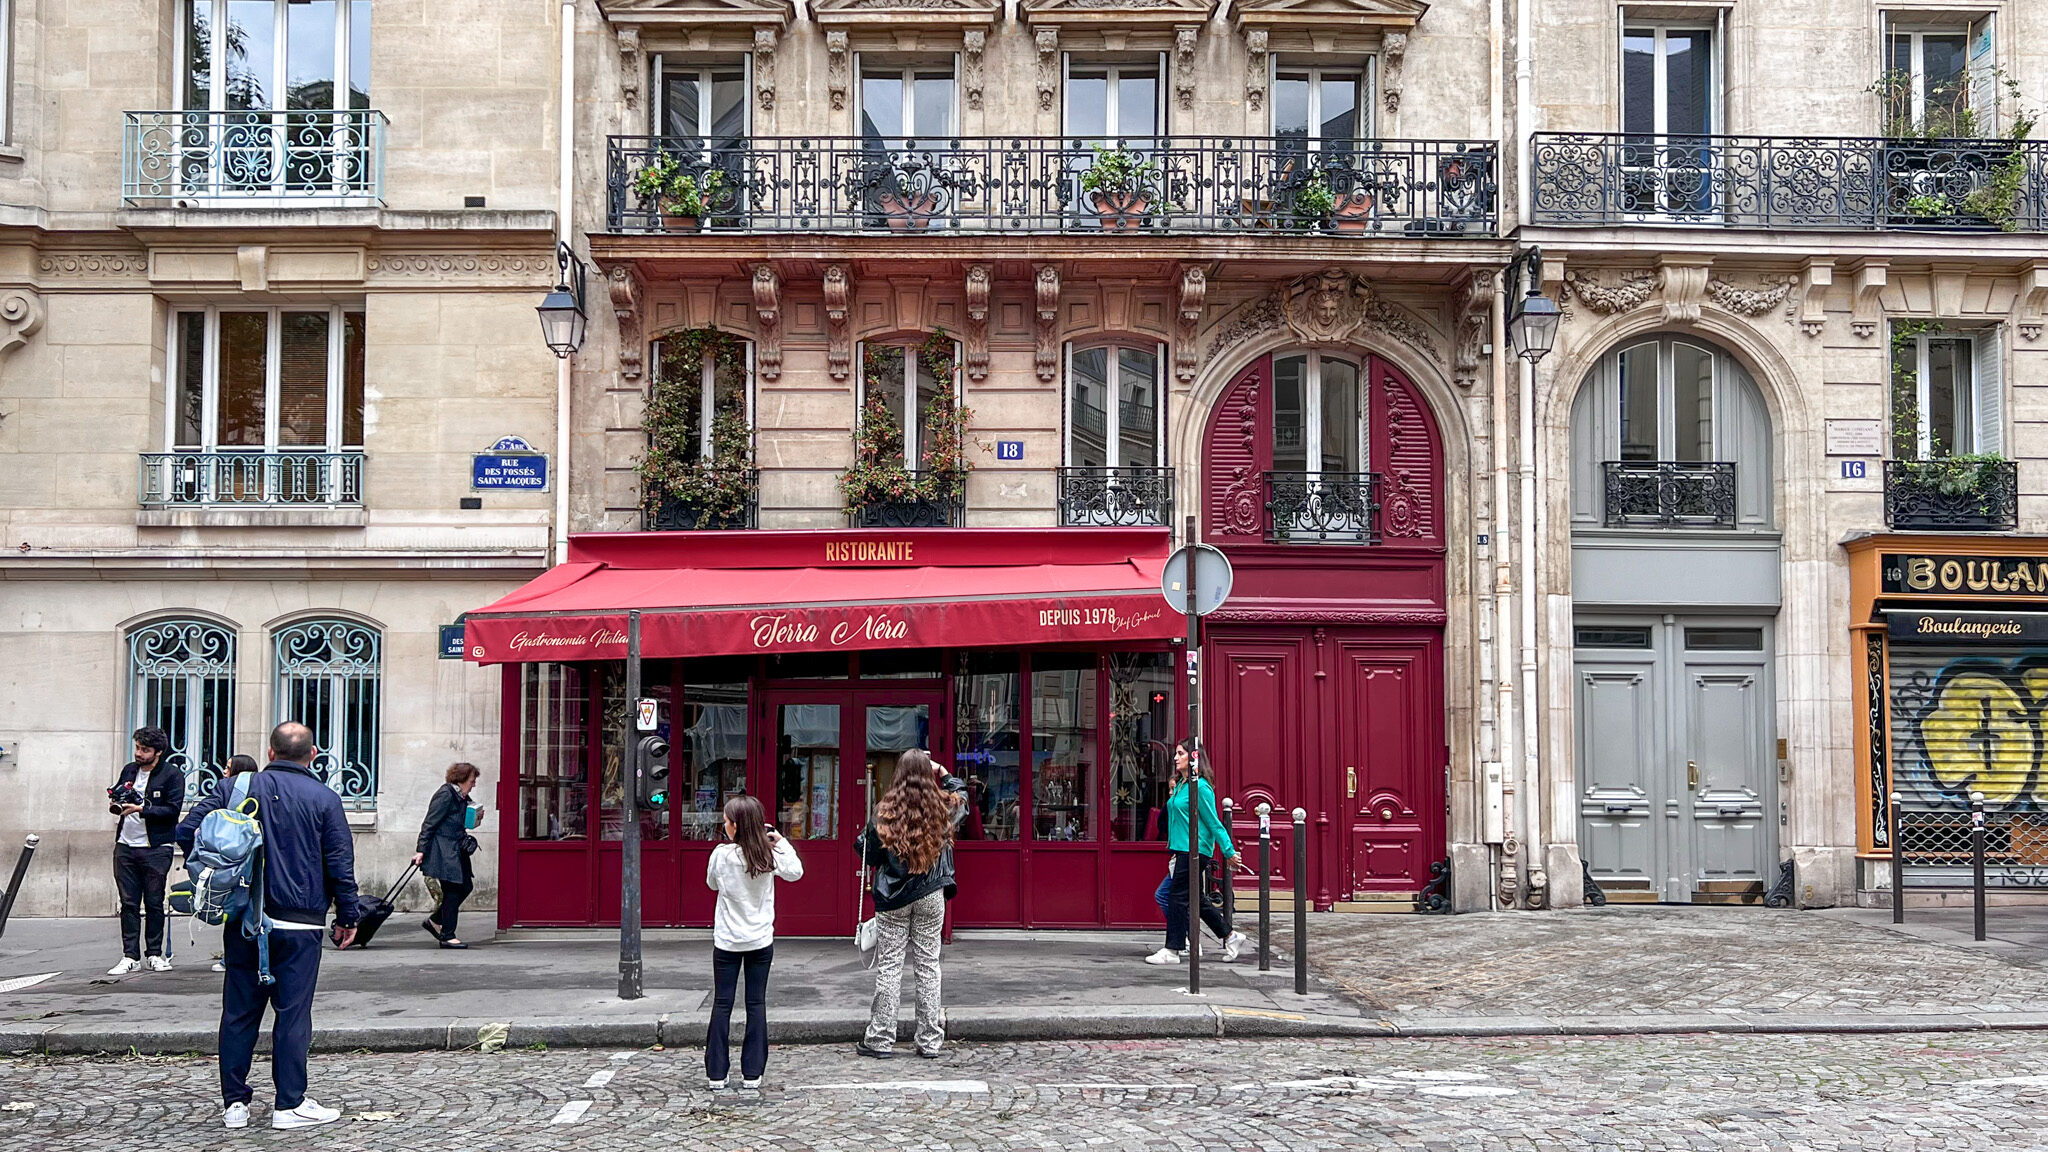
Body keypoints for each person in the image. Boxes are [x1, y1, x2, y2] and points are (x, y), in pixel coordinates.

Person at [184, 722, 360, 1131]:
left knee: (239, 1013)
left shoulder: (234, 789)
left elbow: (187, 830)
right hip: (300, 922)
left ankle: (235, 1105)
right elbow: (339, 865)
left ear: (269, 751)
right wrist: (347, 916)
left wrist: (219, 870)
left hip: (245, 917)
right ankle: (289, 1104)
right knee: (293, 1014)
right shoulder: (325, 799)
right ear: (313, 755)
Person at [854, 749, 963, 1060]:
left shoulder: (884, 812)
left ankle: (880, 1039)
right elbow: (963, 796)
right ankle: (929, 1040)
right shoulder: (944, 807)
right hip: (930, 894)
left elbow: (871, 855)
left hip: (893, 898)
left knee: (890, 966)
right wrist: (941, 770)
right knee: (928, 966)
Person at [703, 793, 803, 1091]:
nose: (724, 826)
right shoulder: (768, 856)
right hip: (760, 940)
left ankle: (717, 1074)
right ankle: (752, 1073)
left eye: (726, 822)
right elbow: (796, 872)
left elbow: (711, 883)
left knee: (722, 1003)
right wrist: (779, 841)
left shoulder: (722, 855)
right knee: (755, 1003)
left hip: (727, 942)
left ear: (735, 826)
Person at [1146, 740, 1248, 966]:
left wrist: (1229, 851)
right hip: (1181, 849)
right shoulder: (1183, 785)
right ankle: (1231, 937)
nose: (1175, 758)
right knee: (1196, 899)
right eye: (1175, 754)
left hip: (1194, 850)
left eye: (1180, 754)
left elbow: (1213, 822)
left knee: (1176, 896)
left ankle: (1172, 950)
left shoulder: (1200, 787)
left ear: (1193, 758)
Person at [109, 726, 186, 975]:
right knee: (128, 902)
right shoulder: (130, 770)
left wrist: (141, 809)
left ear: (159, 752)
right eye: (138, 748)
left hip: (156, 847)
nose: (139, 753)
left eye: (145, 750)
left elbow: (172, 810)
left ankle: (154, 953)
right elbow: (121, 792)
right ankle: (129, 955)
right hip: (126, 845)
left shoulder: (171, 775)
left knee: (154, 902)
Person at [179, 755, 259, 973]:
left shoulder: (225, 790)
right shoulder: (268, 791)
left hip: (231, 869)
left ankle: (232, 958)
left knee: (234, 912)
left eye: (228, 767)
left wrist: (199, 862)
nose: (224, 771)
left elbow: (185, 829)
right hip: (266, 868)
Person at [413, 762, 483, 949]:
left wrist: (476, 816)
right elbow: (429, 823)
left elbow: (463, 819)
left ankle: (436, 921)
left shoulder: (461, 796)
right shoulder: (445, 795)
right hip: (443, 851)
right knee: (453, 890)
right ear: (460, 780)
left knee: (465, 886)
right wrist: (421, 850)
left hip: (456, 848)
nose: (474, 784)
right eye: (471, 780)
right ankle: (447, 935)